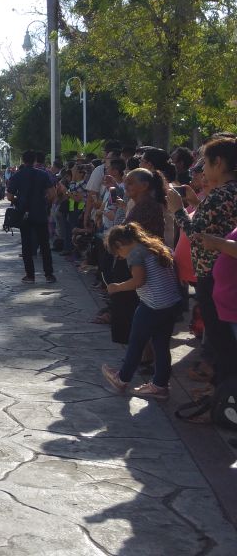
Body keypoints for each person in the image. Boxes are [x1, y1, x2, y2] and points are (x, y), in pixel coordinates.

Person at [167, 137, 237, 392]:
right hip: (225, 273)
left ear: (218, 163)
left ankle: (222, 394)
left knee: (221, 338)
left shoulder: (220, 194)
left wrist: (177, 209)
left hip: (213, 272)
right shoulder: (229, 192)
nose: (203, 170)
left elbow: (197, 232)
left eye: (205, 163)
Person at [100, 222, 183, 401]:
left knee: (136, 342)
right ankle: (160, 385)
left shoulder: (135, 253)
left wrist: (117, 287)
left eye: (118, 253)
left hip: (152, 305)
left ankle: (122, 379)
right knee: (161, 346)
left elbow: (139, 280)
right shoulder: (154, 246)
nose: (120, 257)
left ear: (120, 245)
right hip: (170, 303)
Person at [7, 150, 56, 284]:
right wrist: (45, 203)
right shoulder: (43, 175)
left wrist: (19, 201)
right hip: (40, 212)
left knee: (26, 245)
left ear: (23, 160)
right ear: (35, 161)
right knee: (44, 244)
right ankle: (49, 274)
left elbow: (10, 196)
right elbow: (52, 194)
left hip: (24, 214)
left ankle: (30, 275)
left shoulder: (17, 176)